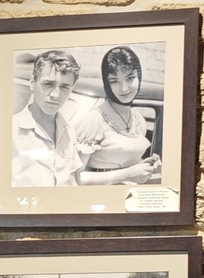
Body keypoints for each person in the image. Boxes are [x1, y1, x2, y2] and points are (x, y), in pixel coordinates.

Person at [69, 45, 162, 187]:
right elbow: (76, 178)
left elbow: (123, 163)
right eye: (114, 81)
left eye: (130, 78)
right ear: (107, 83)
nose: (124, 88)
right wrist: (127, 174)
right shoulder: (94, 119)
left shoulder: (139, 120)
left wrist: (143, 166)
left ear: (139, 77)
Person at [10, 50, 81, 188]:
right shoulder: (10, 130)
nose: (55, 95)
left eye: (64, 87)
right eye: (48, 84)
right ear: (32, 82)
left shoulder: (69, 132)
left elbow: (71, 181)